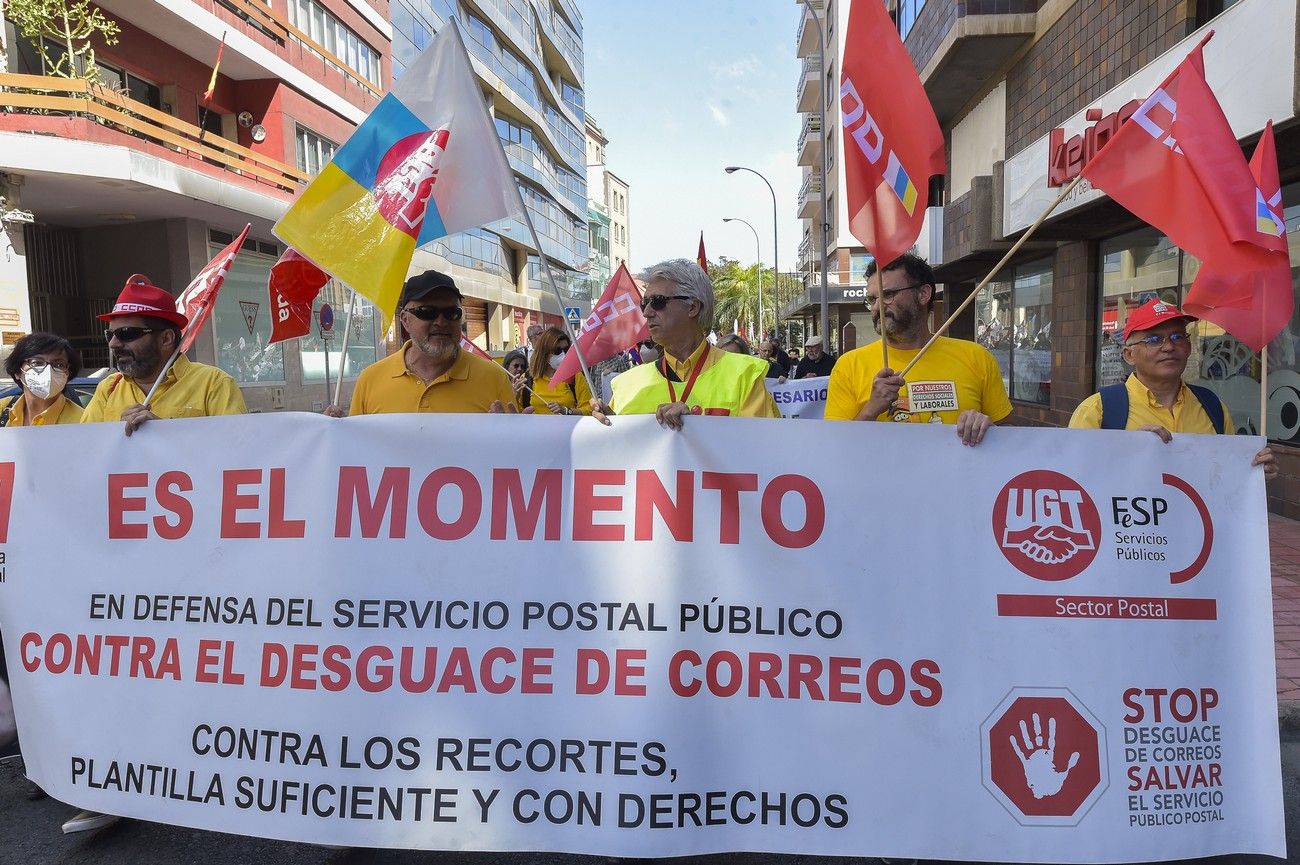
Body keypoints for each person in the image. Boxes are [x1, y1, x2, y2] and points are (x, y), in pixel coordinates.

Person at [1068, 299, 1275, 477]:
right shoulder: (1098, 411)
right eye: (1154, 339)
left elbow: (1226, 478)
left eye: (1177, 337)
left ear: (1188, 348)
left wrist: (1253, 475)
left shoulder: (1213, 407)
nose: (1168, 347)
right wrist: (1127, 450)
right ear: (1129, 355)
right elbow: (1071, 482)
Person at [825, 253, 1010, 446]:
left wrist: (989, 429)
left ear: (923, 294)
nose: (877, 307)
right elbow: (836, 449)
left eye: (888, 295)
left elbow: (1015, 438)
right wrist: (870, 410)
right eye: (872, 299)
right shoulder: (849, 366)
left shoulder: (976, 357)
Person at [593, 259, 779, 429]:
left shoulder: (745, 377)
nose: (647, 312)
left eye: (658, 302)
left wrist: (694, 432)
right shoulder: (627, 384)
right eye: (644, 303)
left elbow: (762, 452)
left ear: (692, 307)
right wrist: (610, 427)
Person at [81, 274, 246, 435]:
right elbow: (86, 450)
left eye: (126, 333)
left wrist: (165, 435)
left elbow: (237, 450)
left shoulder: (214, 384)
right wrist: (115, 435)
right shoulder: (108, 388)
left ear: (166, 338)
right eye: (110, 335)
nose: (113, 344)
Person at [347, 270, 518, 415]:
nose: (441, 322)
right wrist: (330, 429)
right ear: (405, 320)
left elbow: (512, 449)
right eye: (427, 312)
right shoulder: (370, 380)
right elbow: (353, 448)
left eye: (452, 313)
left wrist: (518, 435)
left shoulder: (495, 378)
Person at [0, 333, 84, 426]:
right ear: (17, 371)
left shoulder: (83, 421)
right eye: (37, 363)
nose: (48, 371)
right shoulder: (2, 409)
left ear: (68, 373)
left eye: (59, 365)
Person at [525, 326, 592, 415]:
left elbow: (589, 409)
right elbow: (518, 411)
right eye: (557, 350)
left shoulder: (574, 376)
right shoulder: (529, 378)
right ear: (544, 351)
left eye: (566, 349)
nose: (563, 354)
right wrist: (514, 393)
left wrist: (567, 411)